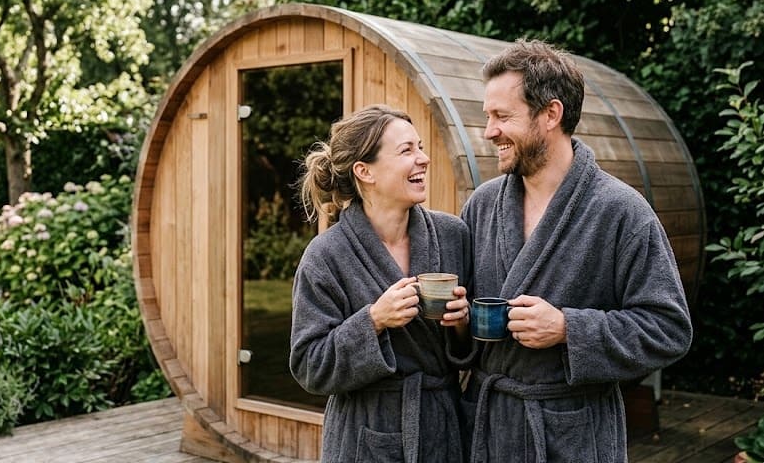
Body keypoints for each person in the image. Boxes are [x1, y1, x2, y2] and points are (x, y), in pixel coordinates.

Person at [460, 39, 693, 462]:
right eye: (487, 116)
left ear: (551, 113)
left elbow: (668, 330)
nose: (489, 131)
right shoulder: (482, 204)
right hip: (489, 427)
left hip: (572, 434)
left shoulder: (621, 211)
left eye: (502, 116)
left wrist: (569, 328)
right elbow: (465, 331)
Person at [290, 104, 472, 462]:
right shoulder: (327, 255)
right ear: (364, 171)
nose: (423, 159)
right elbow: (310, 366)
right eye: (407, 151)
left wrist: (463, 325)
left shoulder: (453, 235)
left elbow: (473, 353)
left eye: (420, 147)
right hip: (363, 436)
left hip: (443, 430)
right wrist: (373, 320)